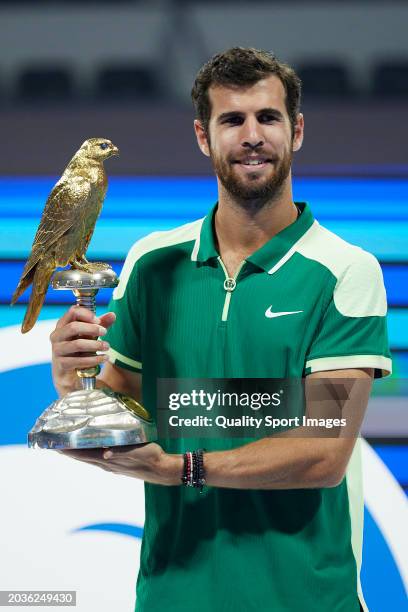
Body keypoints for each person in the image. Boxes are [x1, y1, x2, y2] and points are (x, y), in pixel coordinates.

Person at [51, 48, 392, 612]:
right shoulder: (152, 261)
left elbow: (323, 451)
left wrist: (179, 467)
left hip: (306, 597)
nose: (252, 135)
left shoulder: (345, 270)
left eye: (269, 117)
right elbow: (125, 409)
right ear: (203, 137)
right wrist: (73, 385)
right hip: (173, 594)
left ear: (297, 131)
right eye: (232, 120)